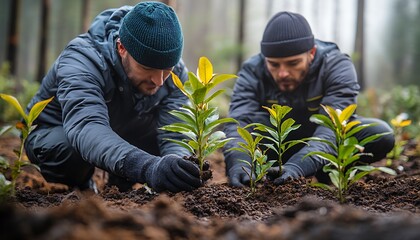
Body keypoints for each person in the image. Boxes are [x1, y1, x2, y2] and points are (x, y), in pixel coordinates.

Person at [24, 1, 202, 193]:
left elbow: (174, 133)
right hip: (58, 132)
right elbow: (86, 127)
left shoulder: (175, 74)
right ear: (121, 48)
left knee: (166, 136)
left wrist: (175, 168)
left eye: (167, 70)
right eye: (147, 68)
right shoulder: (81, 60)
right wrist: (147, 167)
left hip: (120, 126)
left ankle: (121, 179)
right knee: (67, 151)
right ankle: (82, 185)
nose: (159, 81)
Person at [223, 11, 395, 187]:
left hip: (323, 141)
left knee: (380, 133)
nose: (282, 73)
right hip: (278, 143)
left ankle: (327, 172)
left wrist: (298, 167)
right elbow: (239, 121)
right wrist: (240, 163)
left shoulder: (335, 65)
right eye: (274, 64)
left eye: (293, 63)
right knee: (238, 134)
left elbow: (332, 128)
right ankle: (269, 172)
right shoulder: (252, 71)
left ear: (311, 52)